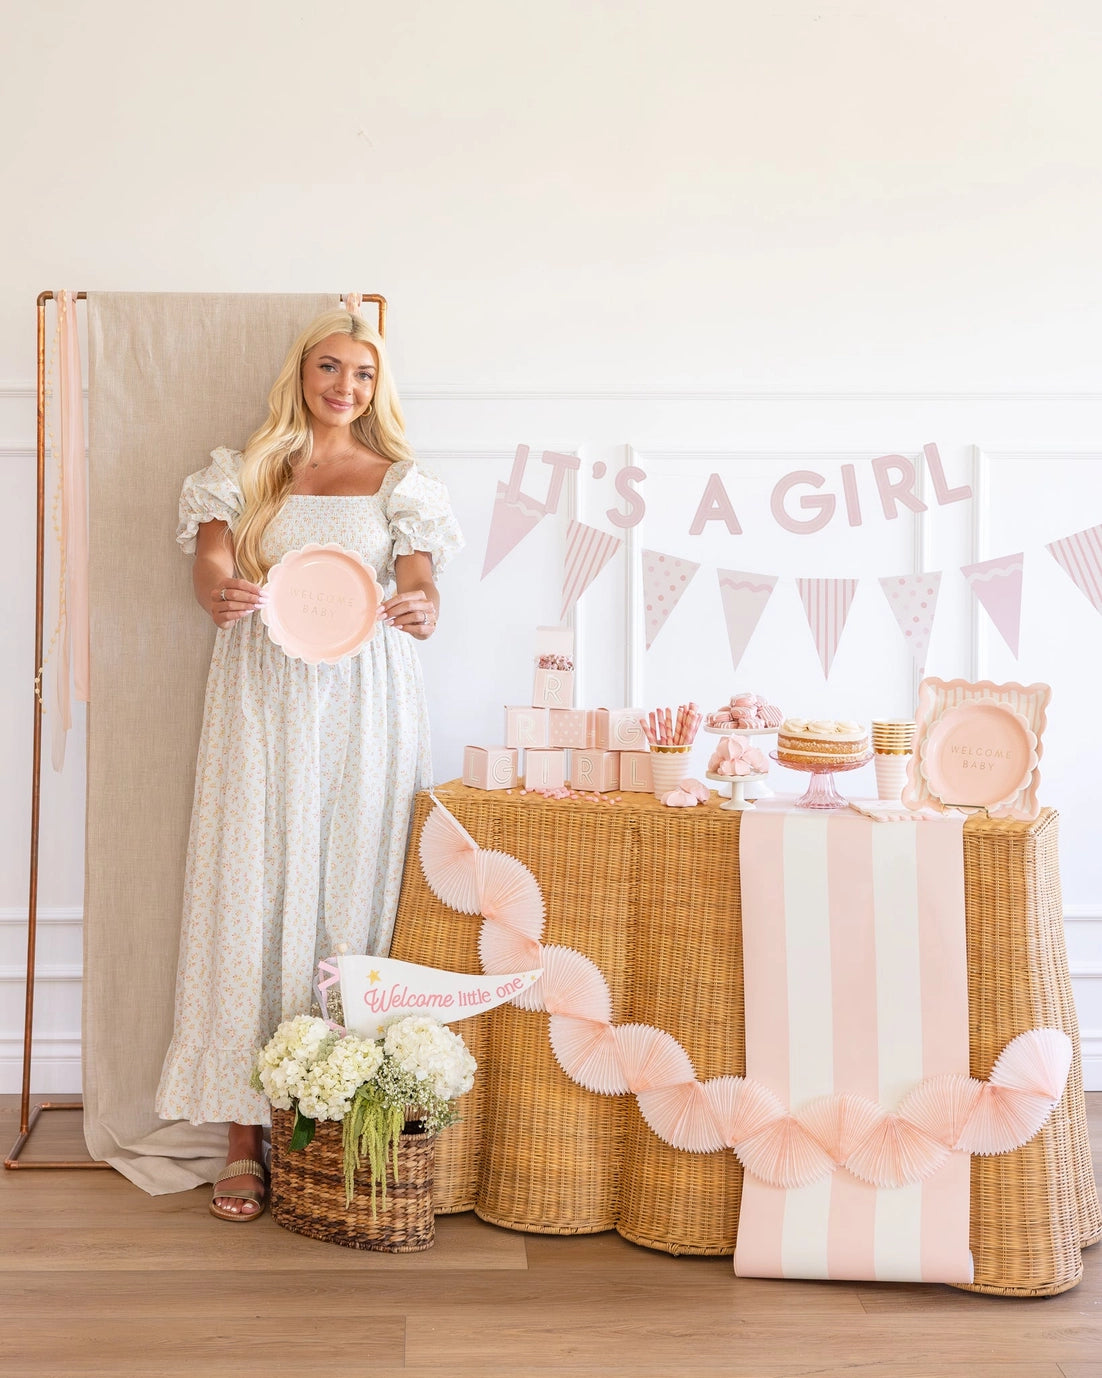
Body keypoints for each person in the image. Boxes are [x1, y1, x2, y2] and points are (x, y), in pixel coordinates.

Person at [154, 306, 462, 1221]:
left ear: (377, 389)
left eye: (363, 374)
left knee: (352, 891)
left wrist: (423, 605)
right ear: (302, 375)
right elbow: (211, 566)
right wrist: (222, 595)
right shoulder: (243, 474)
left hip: (366, 697)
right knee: (245, 889)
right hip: (262, 691)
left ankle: (333, 1116)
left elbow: (418, 578)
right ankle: (242, 1133)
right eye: (330, 368)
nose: (345, 387)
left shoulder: (401, 482)